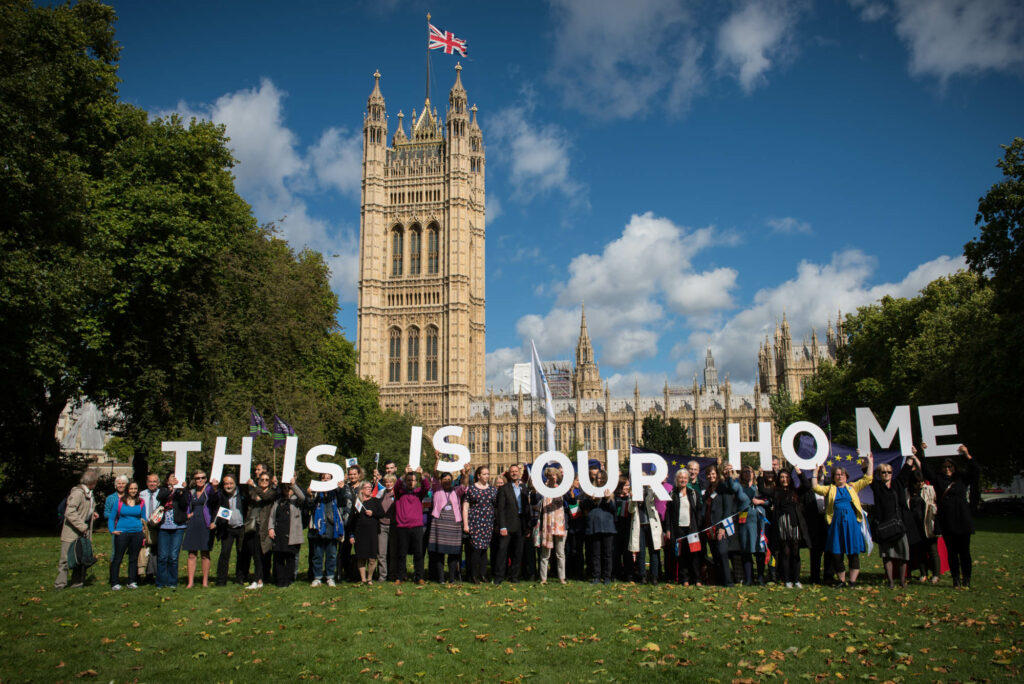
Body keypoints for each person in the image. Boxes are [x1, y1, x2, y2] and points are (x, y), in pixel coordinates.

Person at [920, 444, 978, 588]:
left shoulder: (961, 479)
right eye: (945, 467)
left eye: (950, 466)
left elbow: (975, 471)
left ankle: (967, 579)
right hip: (947, 521)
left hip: (963, 519)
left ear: (955, 467)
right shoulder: (939, 480)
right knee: (952, 552)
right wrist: (923, 452)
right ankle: (956, 579)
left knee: (965, 552)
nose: (947, 469)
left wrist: (967, 455)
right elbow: (926, 470)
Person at [812, 452, 873, 588]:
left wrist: (870, 462)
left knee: (853, 553)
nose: (840, 476)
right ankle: (841, 580)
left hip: (851, 524)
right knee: (837, 553)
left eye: (842, 474)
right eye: (837, 474)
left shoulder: (852, 487)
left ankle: (852, 581)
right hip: (836, 524)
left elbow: (868, 479)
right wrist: (815, 472)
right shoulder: (830, 489)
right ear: (833, 477)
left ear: (846, 477)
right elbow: (815, 487)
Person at [870, 461, 917, 589]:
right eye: (883, 472)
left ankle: (902, 581)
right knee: (887, 555)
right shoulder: (877, 486)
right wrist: (868, 461)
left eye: (889, 472)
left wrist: (910, 456)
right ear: (879, 474)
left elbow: (906, 471)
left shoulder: (897, 484)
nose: (886, 474)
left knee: (903, 553)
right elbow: (867, 475)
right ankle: (890, 581)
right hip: (884, 526)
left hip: (898, 525)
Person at [762, 469, 811, 588]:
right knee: (785, 552)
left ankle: (797, 579)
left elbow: (807, 485)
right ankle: (787, 579)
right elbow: (762, 489)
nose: (784, 479)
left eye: (786, 477)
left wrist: (799, 472)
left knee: (795, 552)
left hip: (794, 523)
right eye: (782, 477)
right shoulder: (776, 491)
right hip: (782, 524)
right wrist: (761, 475)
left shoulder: (795, 491)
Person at [56, 469, 99, 590]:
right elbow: (69, 512)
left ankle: (77, 581)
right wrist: (82, 526)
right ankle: (60, 583)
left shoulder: (90, 493)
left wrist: (93, 513)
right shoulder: (78, 493)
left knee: (81, 557)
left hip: (83, 532)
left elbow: (84, 509)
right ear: (92, 481)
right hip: (72, 531)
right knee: (65, 558)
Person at [903, 451, 941, 583]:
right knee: (919, 551)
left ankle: (936, 574)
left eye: (921, 482)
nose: (919, 484)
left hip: (928, 523)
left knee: (932, 550)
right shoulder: (907, 492)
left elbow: (924, 469)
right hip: (914, 526)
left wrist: (915, 456)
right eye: (917, 482)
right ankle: (923, 573)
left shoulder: (929, 489)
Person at [393, 467, 431, 584]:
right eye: (409, 480)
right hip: (402, 527)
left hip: (417, 527)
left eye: (413, 480)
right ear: (406, 481)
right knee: (402, 554)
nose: (411, 482)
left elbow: (426, 487)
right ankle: (400, 577)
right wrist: (404, 475)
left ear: (416, 482)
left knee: (418, 553)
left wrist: (422, 475)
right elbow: (396, 486)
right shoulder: (400, 493)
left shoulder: (418, 493)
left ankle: (419, 577)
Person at [428, 471, 466, 583]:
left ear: (452, 480)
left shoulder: (456, 490)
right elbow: (434, 476)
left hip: (454, 525)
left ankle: (452, 578)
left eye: (449, 479)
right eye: (444, 479)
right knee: (439, 552)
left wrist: (466, 474)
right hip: (439, 523)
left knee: (453, 553)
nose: (447, 481)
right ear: (441, 481)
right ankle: (441, 578)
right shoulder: (437, 489)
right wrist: (436, 460)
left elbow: (464, 486)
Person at [494, 464, 529, 584]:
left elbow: (527, 508)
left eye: (516, 471)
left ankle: (514, 576)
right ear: (509, 474)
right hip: (508, 524)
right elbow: (500, 509)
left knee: (518, 552)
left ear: (519, 472)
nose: (514, 473)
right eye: (512, 471)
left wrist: (527, 526)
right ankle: (499, 576)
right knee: (502, 551)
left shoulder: (524, 488)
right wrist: (502, 526)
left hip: (520, 523)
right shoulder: (504, 489)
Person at [243, 472, 278, 589]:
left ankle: (261, 579)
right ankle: (257, 579)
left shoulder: (272, 492)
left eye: (266, 480)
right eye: (262, 479)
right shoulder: (254, 490)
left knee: (264, 553)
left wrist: (255, 487)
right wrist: (253, 489)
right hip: (253, 526)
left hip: (265, 527)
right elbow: (252, 496)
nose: (264, 481)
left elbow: (265, 497)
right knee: (256, 554)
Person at [268, 478, 305, 588]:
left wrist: (293, 485)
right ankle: (279, 579)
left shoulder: (296, 500)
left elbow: (303, 497)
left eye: (289, 489)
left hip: (292, 533)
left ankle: (289, 579)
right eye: (285, 489)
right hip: (279, 532)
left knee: (290, 557)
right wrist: (270, 528)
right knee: (279, 557)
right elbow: (272, 516)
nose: (287, 491)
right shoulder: (278, 501)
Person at [307, 473, 343, 587]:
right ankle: (317, 577)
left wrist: (340, 490)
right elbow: (309, 506)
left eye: (328, 478)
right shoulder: (316, 492)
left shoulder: (335, 493)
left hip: (332, 527)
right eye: (323, 478)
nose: (325, 480)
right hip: (318, 528)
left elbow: (342, 503)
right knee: (317, 554)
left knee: (331, 554)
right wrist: (311, 495)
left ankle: (330, 577)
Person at [108, 480, 146, 590]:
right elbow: (112, 517)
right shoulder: (119, 502)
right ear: (127, 490)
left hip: (137, 534)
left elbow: (143, 518)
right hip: (122, 533)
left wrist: (144, 529)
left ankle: (132, 581)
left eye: (135, 489)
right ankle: (114, 582)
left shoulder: (141, 502)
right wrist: (112, 530)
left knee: (133, 559)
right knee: (118, 558)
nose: (133, 491)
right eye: (131, 488)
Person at [182, 470, 217, 588]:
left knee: (205, 553)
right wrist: (187, 514)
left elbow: (215, 497)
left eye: (202, 477)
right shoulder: (191, 492)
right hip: (193, 523)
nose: (200, 480)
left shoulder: (209, 490)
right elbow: (187, 505)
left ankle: (205, 581)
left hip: (205, 523)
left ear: (206, 479)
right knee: (192, 553)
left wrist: (214, 486)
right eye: (197, 478)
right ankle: (190, 581)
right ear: (194, 480)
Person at [666, 469, 701, 585]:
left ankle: (697, 579)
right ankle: (684, 579)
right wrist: (668, 529)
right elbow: (668, 514)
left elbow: (698, 511)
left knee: (695, 555)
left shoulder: (693, 493)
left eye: (685, 478)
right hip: (678, 529)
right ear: (676, 479)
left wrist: (698, 526)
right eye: (681, 478)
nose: (683, 480)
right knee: (682, 555)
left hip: (692, 528)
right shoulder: (673, 494)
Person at [462, 465, 496, 583]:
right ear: (478, 475)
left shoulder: (492, 489)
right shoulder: (471, 489)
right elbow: (465, 506)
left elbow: (495, 506)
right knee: (476, 549)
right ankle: (473, 575)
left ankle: (483, 574)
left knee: (484, 550)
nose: (487, 476)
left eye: (488, 474)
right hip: (475, 522)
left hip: (487, 523)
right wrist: (466, 524)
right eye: (484, 474)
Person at [155, 473, 190, 588]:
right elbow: (160, 497)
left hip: (178, 526)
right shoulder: (164, 489)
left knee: (173, 556)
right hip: (164, 526)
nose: (175, 479)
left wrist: (184, 490)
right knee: (163, 556)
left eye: (177, 476)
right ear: (168, 480)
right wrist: (171, 488)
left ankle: (172, 582)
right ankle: (161, 581)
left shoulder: (182, 491)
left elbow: (185, 504)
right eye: (172, 477)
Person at [702, 464, 734, 586]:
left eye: (713, 473)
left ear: (717, 474)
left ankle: (729, 581)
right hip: (709, 527)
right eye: (709, 474)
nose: (711, 476)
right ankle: (720, 580)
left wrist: (722, 528)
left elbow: (727, 510)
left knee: (722, 553)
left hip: (720, 527)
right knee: (715, 554)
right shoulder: (708, 490)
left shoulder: (724, 488)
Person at [212, 474, 247, 586]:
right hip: (227, 528)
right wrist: (214, 521)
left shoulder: (242, 494)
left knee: (241, 553)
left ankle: (240, 578)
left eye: (231, 483)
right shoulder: (221, 495)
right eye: (226, 483)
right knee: (224, 553)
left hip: (241, 528)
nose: (229, 486)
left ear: (235, 484)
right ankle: (221, 580)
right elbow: (215, 506)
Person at [583, 470, 616, 584]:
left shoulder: (611, 493)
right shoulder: (590, 492)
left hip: (607, 527)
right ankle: (596, 576)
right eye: (598, 478)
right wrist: (591, 500)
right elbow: (584, 507)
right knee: (595, 554)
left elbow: (614, 509)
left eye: (602, 478)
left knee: (607, 554)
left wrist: (607, 499)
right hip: (594, 527)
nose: (599, 480)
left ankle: (607, 576)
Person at [350, 481, 386, 584]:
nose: (369, 489)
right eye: (367, 487)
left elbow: (382, 513)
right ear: (361, 490)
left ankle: (369, 578)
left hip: (372, 533)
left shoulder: (376, 501)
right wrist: (351, 535)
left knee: (372, 557)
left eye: (370, 487)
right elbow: (352, 520)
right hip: (360, 533)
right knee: (361, 557)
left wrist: (373, 513)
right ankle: (363, 578)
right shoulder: (357, 502)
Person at [537, 467, 568, 585]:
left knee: (560, 553)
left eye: (554, 475)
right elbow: (536, 501)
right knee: (545, 554)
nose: (552, 477)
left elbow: (568, 502)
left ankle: (562, 578)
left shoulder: (562, 489)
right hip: (547, 524)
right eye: (549, 475)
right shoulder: (542, 490)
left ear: (557, 476)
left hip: (559, 524)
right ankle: (543, 578)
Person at [628, 482, 663, 584]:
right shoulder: (634, 492)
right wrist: (633, 499)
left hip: (652, 526)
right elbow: (630, 510)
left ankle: (654, 576)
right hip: (640, 526)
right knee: (641, 552)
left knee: (654, 551)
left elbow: (659, 496)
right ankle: (642, 576)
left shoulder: (651, 491)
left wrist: (652, 487)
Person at [138, 473, 161, 583]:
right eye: (150, 481)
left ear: (158, 483)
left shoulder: (161, 494)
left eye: (154, 481)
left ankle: (156, 572)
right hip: (145, 524)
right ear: (147, 483)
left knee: (156, 549)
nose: (152, 484)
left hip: (158, 524)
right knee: (145, 549)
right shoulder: (142, 494)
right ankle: (147, 573)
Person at [375, 473, 397, 581]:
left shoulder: (397, 494)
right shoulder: (381, 493)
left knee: (393, 553)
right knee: (381, 553)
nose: (388, 484)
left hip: (394, 526)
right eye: (386, 482)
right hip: (382, 525)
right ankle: (382, 575)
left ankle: (392, 574)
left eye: (391, 482)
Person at [612, 480, 635, 581]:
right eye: (624, 485)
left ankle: (629, 574)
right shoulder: (614, 497)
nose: (626, 487)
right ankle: (616, 573)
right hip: (616, 527)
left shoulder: (631, 497)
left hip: (628, 527)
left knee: (627, 552)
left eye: (628, 485)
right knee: (616, 552)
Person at [103, 475, 129, 552]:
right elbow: (106, 513)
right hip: (117, 527)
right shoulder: (110, 498)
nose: (121, 485)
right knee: (116, 552)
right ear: (115, 485)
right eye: (119, 483)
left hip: (130, 527)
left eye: (123, 483)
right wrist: (117, 515)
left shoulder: (130, 497)